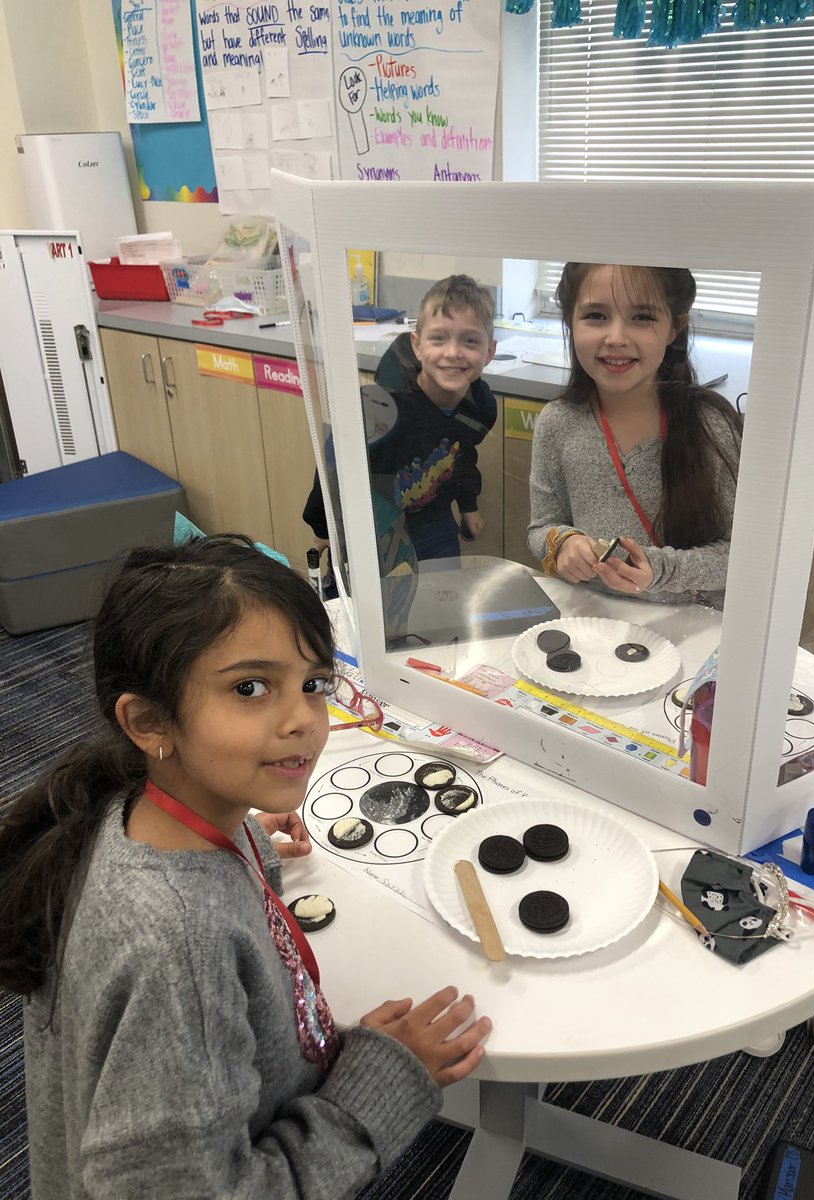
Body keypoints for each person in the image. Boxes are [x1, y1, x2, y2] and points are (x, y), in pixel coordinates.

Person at [0, 535, 491, 1200]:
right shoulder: (177, 946)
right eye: (251, 688)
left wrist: (245, 837)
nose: (304, 721)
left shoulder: (135, 810)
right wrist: (377, 1086)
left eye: (314, 684)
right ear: (148, 721)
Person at [528, 263, 743, 608]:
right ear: (569, 320)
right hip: (595, 620)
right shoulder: (558, 422)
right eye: (596, 315)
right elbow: (542, 527)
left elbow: (742, 554)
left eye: (642, 317)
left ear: (675, 326)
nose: (615, 337)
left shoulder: (710, 425)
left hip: (690, 625)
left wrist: (659, 569)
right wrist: (563, 543)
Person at [304, 274, 498, 565]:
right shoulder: (379, 406)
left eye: (469, 340)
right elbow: (334, 465)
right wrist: (324, 527)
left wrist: (468, 505)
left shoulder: (480, 408)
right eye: (439, 338)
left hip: (434, 522)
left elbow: (463, 453)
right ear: (418, 346)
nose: (453, 352)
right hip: (377, 523)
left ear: (489, 352)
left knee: (441, 598)